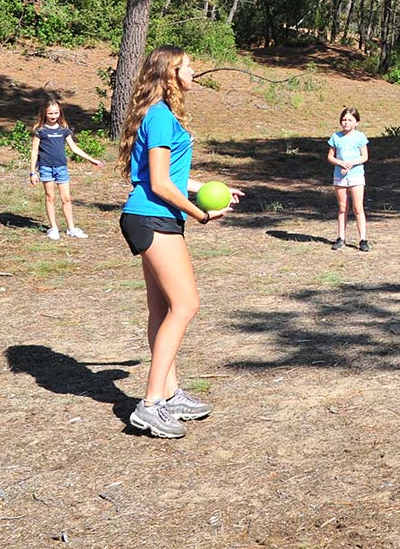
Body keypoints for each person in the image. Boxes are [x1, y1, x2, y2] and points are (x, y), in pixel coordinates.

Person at [117, 46, 242, 438]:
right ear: (171, 72)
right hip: (152, 217)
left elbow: (168, 174)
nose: (194, 72)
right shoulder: (159, 116)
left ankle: (169, 394)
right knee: (187, 304)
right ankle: (150, 404)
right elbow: (157, 183)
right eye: (189, 66)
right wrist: (200, 213)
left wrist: (203, 187)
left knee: (162, 308)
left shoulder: (161, 115)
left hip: (151, 215)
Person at [27, 97, 104, 240]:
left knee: (66, 198)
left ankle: (71, 228)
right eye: (50, 113)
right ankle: (53, 228)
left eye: (56, 113)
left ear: (60, 113)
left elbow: (74, 148)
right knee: (50, 197)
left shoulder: (63, 130)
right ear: (44, 113)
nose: (53, 116)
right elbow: (34, 151)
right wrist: (33, 172)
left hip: (61, 168)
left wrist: (91, 160)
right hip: (46, 168)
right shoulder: (40, 130)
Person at [327, 107, 370, 252]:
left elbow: (364, 156)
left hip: (356, 175)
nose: (346, 122)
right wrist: (340, 163)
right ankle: (341, 238)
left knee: (358, 207)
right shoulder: (336, 137)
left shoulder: (360, 137)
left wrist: (351, 164)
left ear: (357, 122)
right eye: (344, 120)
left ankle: (363, 239)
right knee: (342, 207)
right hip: (340, 176)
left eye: (350, 120)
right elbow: (330, 157)